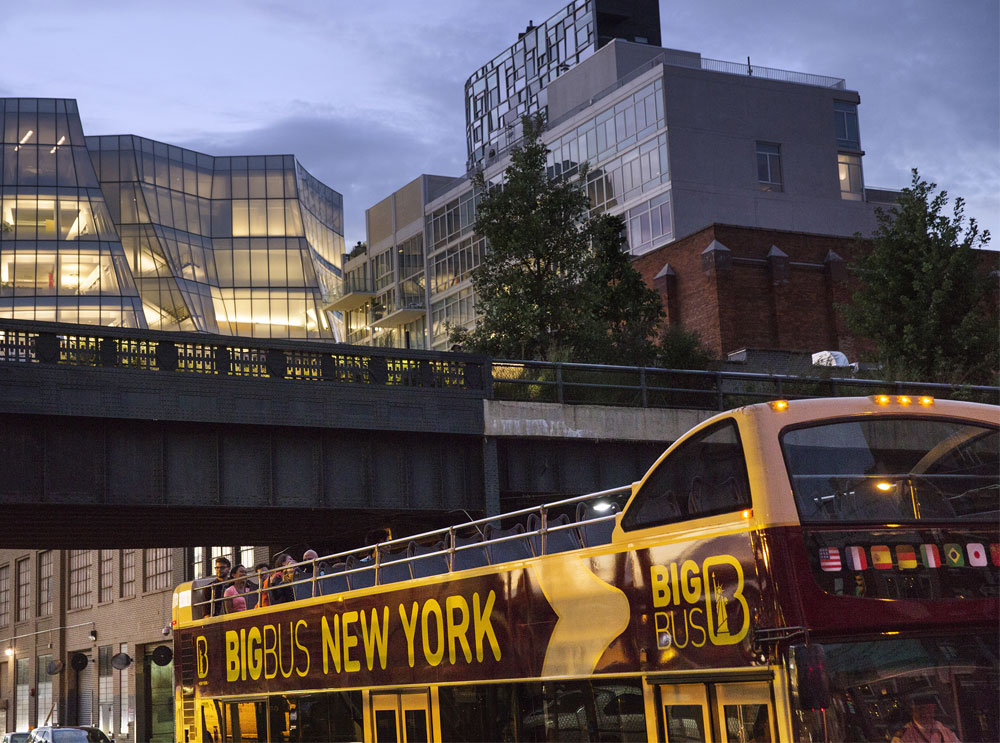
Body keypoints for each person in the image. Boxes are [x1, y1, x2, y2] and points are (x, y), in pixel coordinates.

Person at [891, 693, 960, 743]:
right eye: (921, 708)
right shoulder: (903, 737)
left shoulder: (942, 729)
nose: (926, 712)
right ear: (912, 710)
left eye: (929, 708)